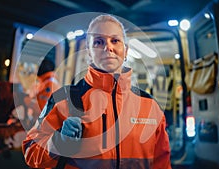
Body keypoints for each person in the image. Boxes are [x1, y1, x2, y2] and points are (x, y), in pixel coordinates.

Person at [22, 14, 171, 169]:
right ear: (89, 53)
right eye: (99, 42)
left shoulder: (150, 106)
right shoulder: (64, 100)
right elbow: (31, 151)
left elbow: (162, 164)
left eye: (115, 40)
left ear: (125, 51)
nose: (108, 47)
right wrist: (58, 142)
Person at [23, 57, 61, 127]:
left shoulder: (50, 84)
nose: (37, 69)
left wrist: (27, 101)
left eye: (39, 66)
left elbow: (43, 109)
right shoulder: (45, 82)